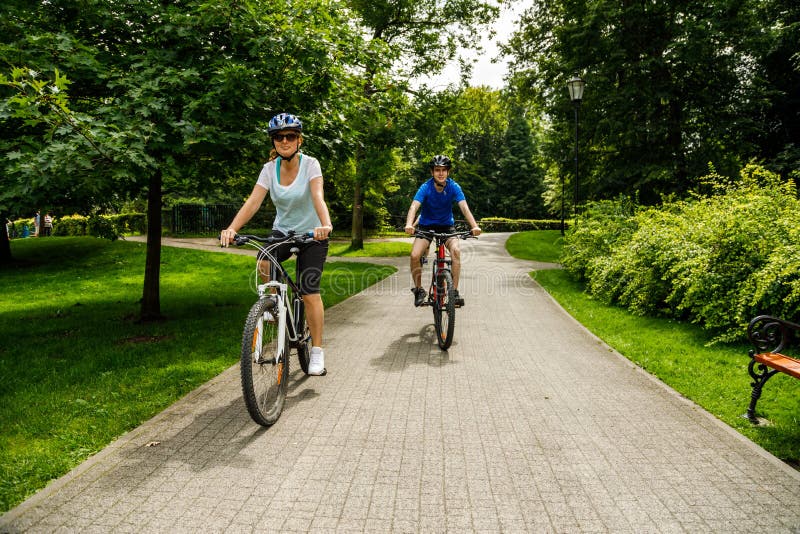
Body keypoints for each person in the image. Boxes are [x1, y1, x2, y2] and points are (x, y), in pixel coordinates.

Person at [220, 113, 333, 376]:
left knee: (309, 292)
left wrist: (325, 226)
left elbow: (318, 197)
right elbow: (253, 202)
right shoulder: (270, 169)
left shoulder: (311, 165)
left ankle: (316, 351)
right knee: (263, 260)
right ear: (274, 141)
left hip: (312, 235)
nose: (285, 140)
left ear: (299, 140)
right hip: (283, 231)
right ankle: (272, 304)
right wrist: (232, 228)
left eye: (290, 136)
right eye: (279, 137)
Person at [404, 155, 481, 307]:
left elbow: (464, 207)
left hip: (447, 226)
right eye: (437, 170)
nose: (440, 173)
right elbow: (414, 206)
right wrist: (409, 224)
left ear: (448, 172)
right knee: (414, 255)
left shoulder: (454, 187)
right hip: (426, 227)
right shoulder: (425, 187)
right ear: (432, 172)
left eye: (444, 170)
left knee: (456, 251)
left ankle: (454, 292)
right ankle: (419, 290)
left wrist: (474, 226)